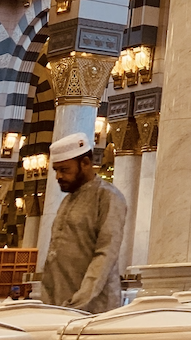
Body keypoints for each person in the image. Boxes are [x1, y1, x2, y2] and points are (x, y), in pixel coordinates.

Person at [41, 131, 126, 314]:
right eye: (56, 170)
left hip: (93, 309)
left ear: (85, 163)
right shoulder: (67, 201)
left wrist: (79, 301)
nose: (58, 177)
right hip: (59, 306)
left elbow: (106, 253)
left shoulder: (107, 196)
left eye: (65, 170)